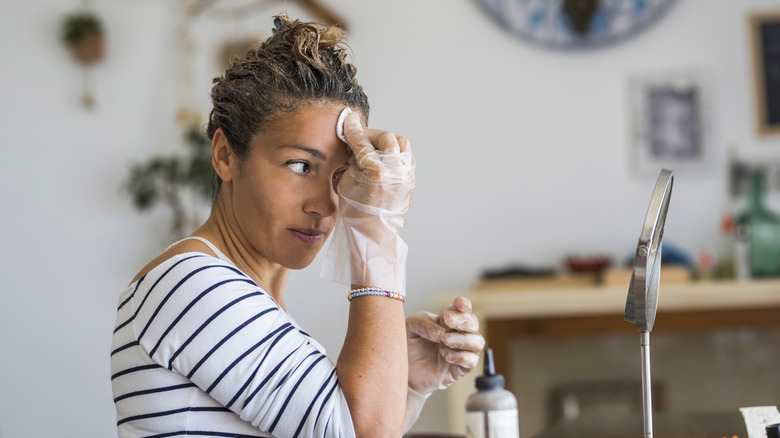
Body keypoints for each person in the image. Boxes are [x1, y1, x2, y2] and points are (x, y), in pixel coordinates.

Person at [110, 15, 484, 438]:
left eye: (343, 175)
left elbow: (346, 425)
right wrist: (375, 233)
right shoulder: (191, 284)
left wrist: (407, 382)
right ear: (225, 156)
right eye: (300, 165)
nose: (325, 204)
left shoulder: (246, 300)